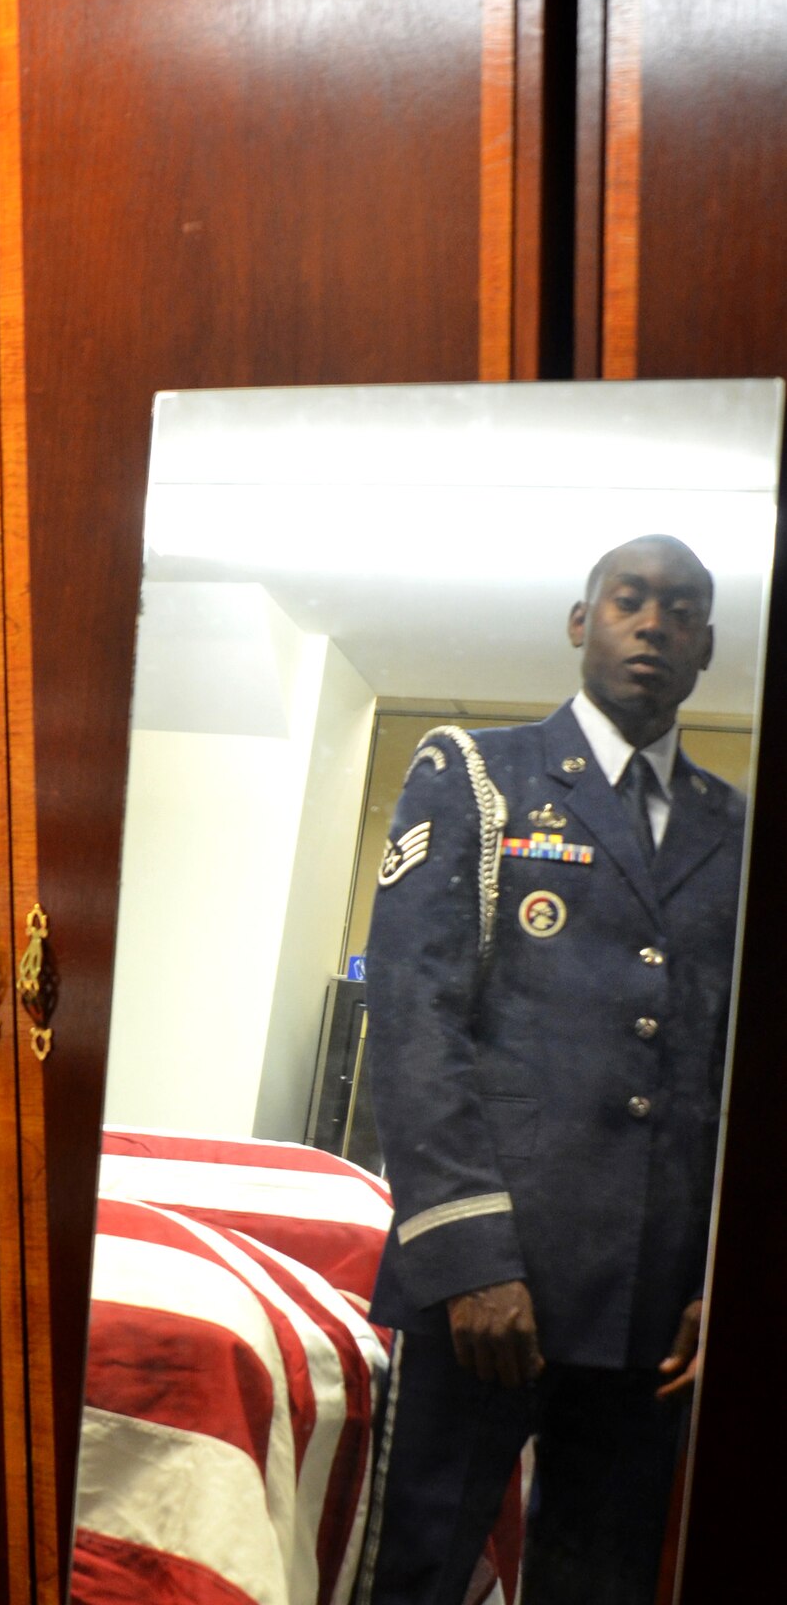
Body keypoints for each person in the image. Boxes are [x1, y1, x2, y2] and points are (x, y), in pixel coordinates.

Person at [360, 535, 746, 1605]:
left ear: (704, 644)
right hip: (487, 1289)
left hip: (652, 1312)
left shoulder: (735, 828)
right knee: (420, 1572)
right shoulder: (475, 777)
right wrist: (471, 1257)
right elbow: (411, 1020)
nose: (652, 624)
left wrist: (719, 1279)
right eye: (628, 600)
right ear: (581, 621)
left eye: (680, 609)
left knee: (602, 1582)